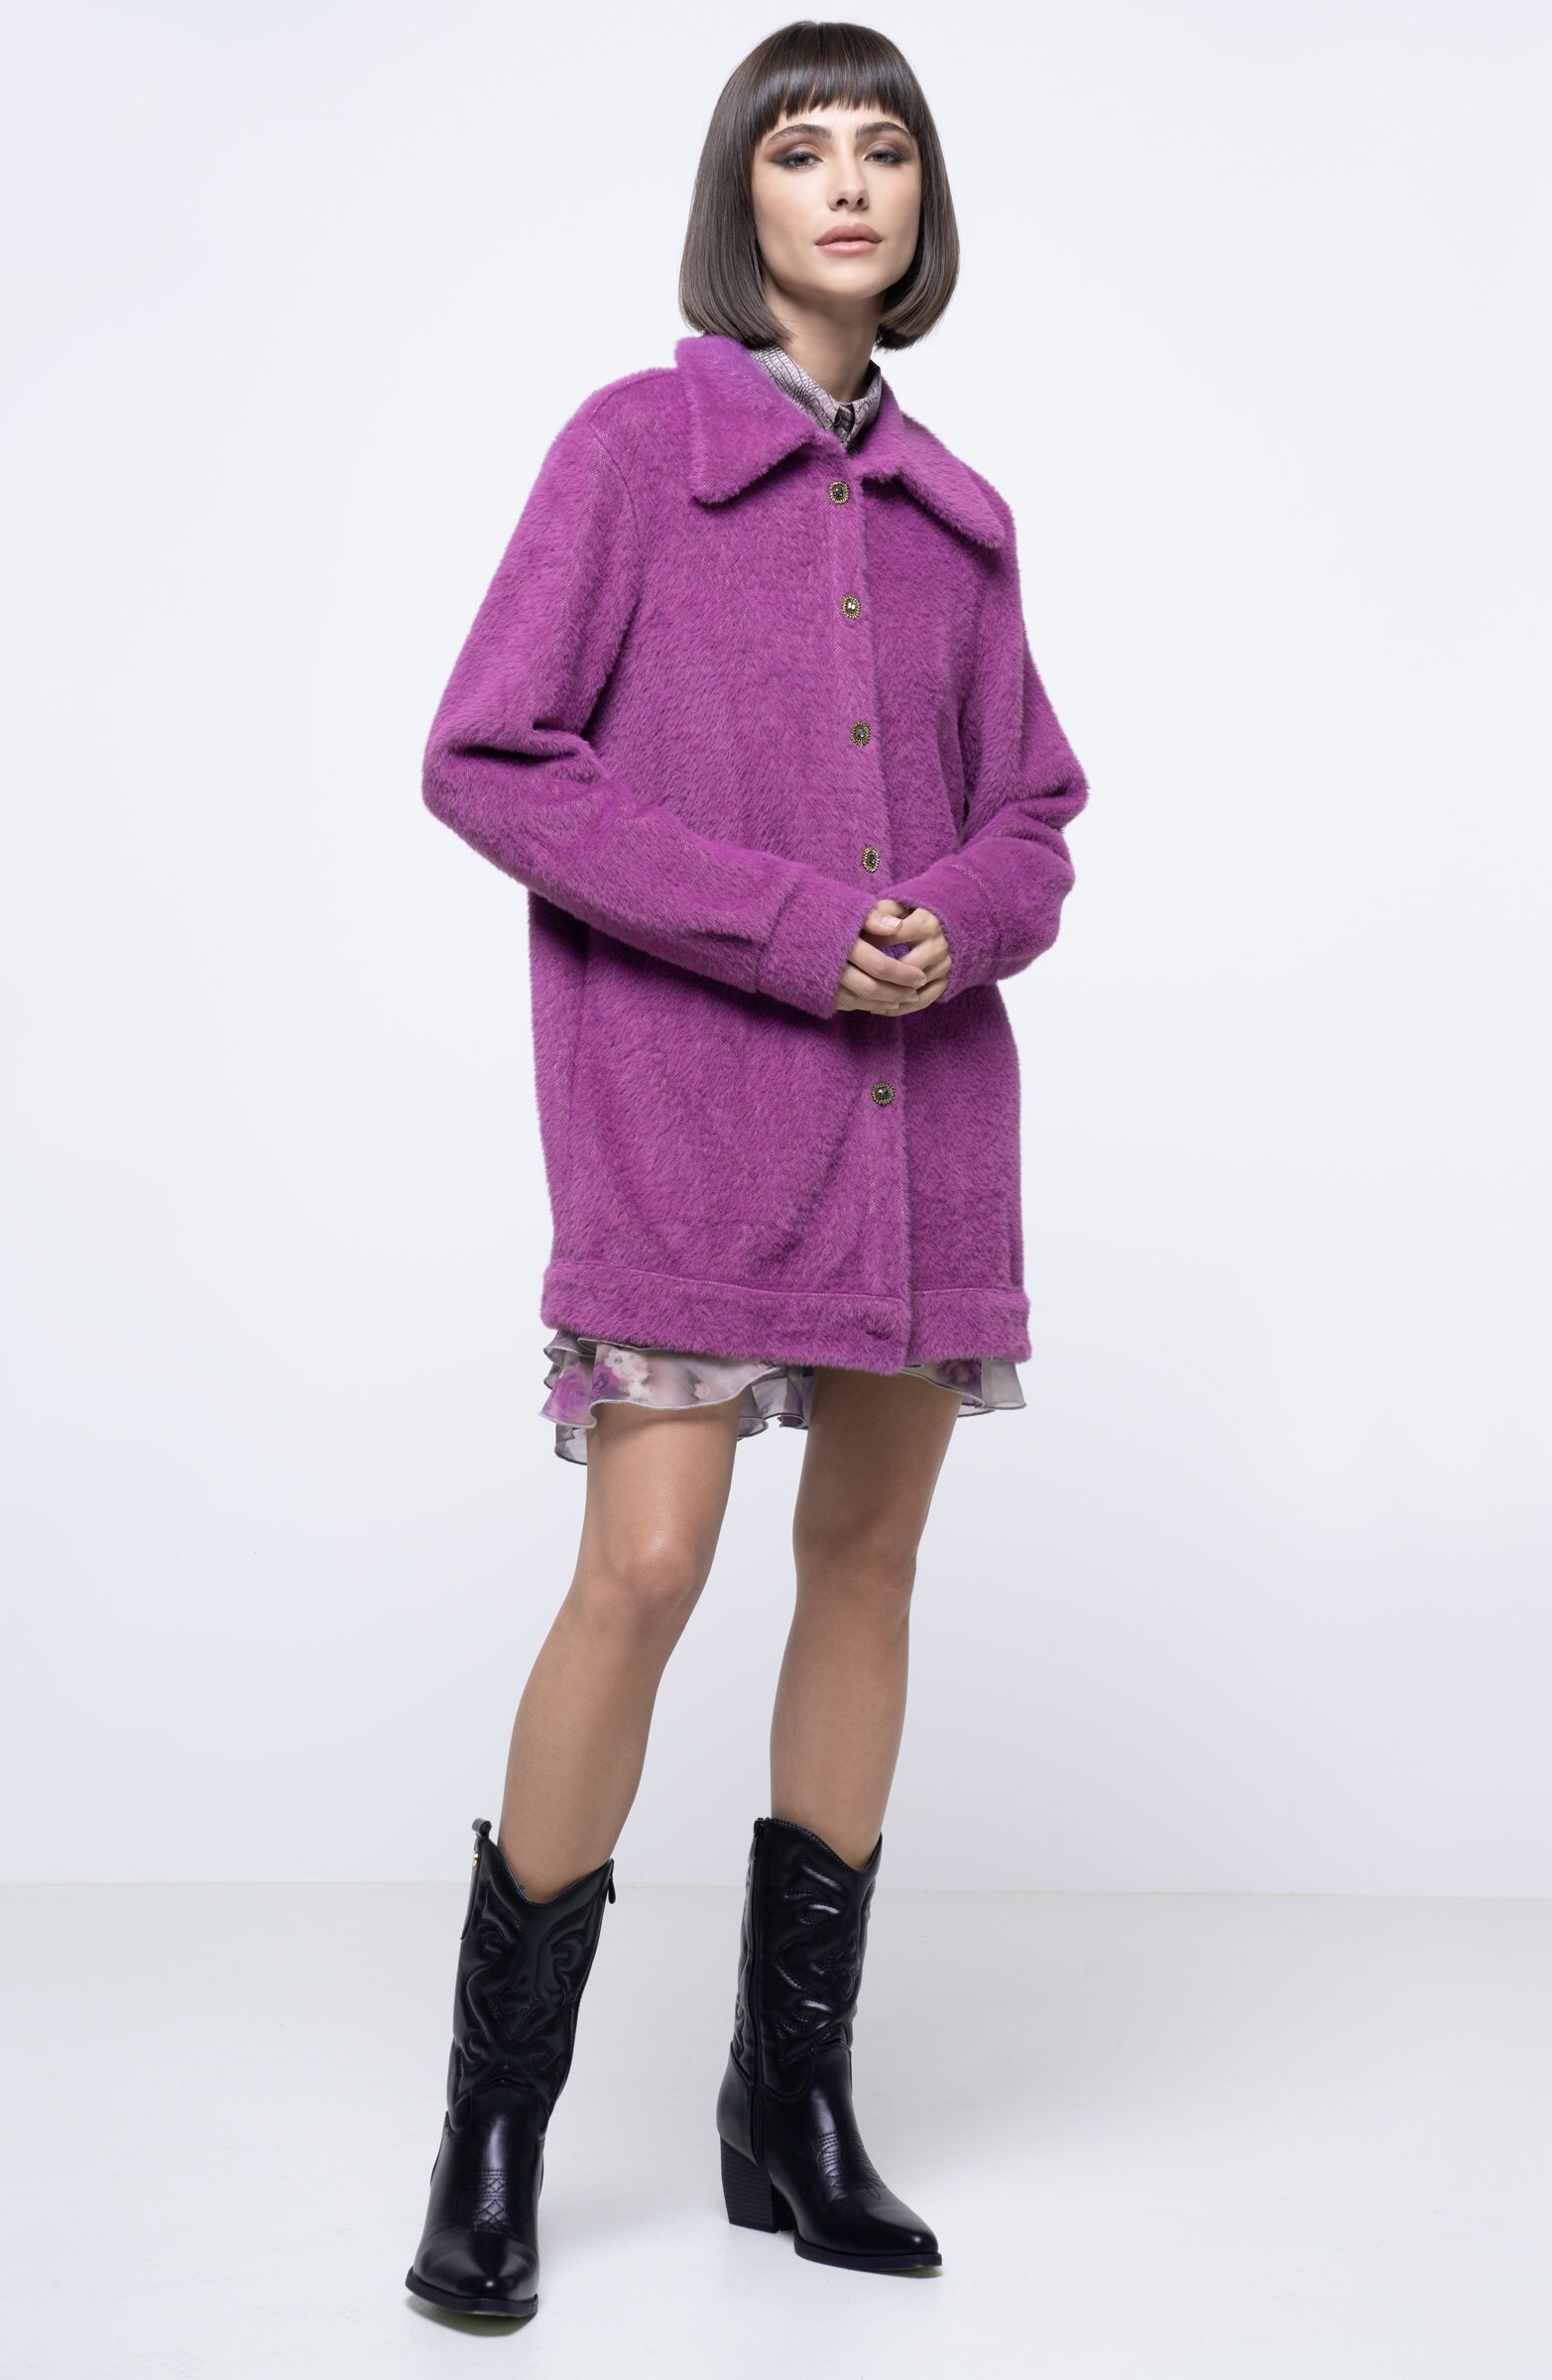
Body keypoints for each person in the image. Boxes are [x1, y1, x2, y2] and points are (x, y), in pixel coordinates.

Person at [405, 19, 1089, 2320]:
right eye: (804, 150)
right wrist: (797, 927)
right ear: (746, 198)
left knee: (868, 1561)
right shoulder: (631, 453)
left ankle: (789, 2108)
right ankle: (492, 2131)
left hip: (920, 1128)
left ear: (923, 206)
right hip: (690, 1113)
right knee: (646, 1565)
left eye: (887, 149)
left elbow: (1037, 818)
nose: (851, 184)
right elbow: (489, 756)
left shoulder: (964, 518)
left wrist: (956, 922)